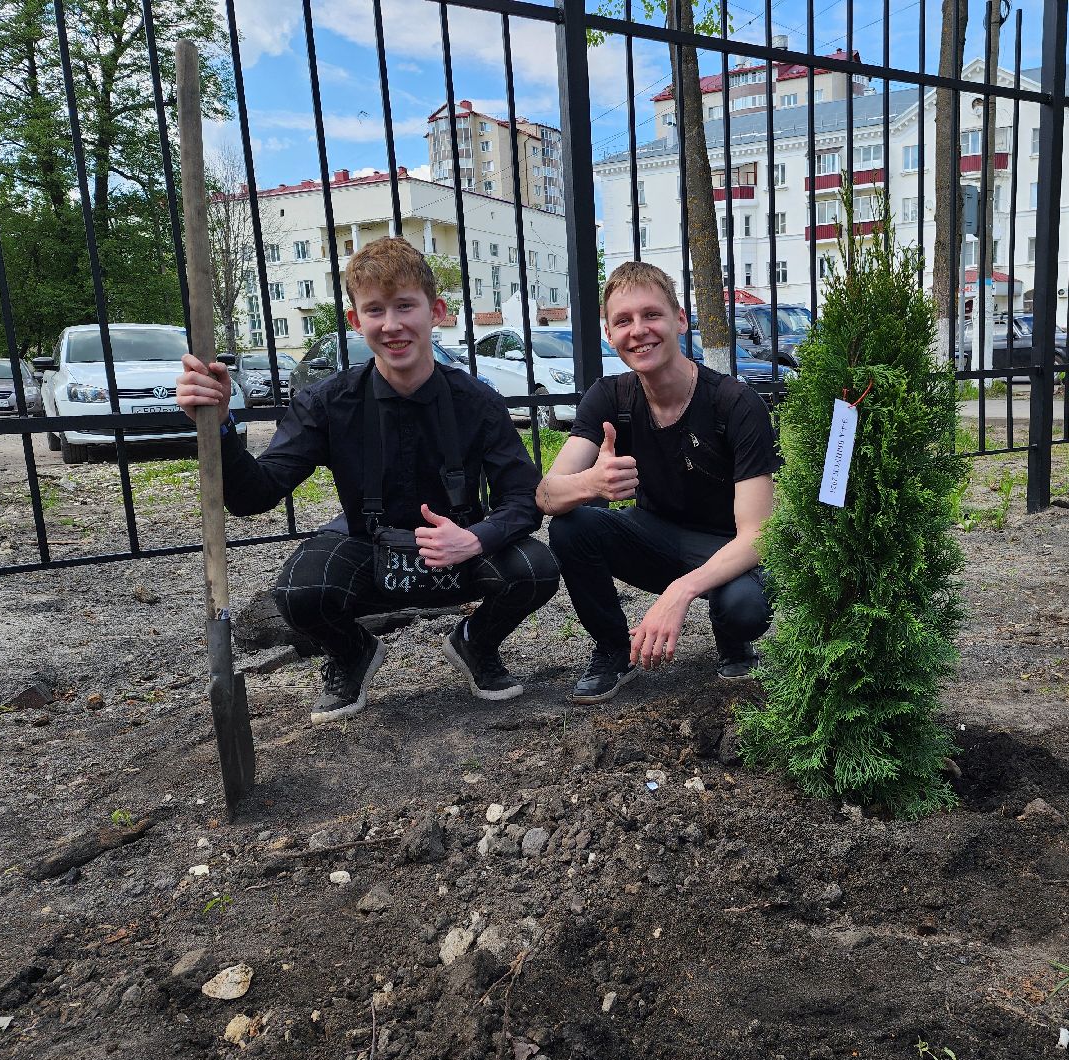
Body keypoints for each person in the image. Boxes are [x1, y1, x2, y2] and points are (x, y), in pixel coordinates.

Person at [176, 236, 558, 720]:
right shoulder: (326, 402)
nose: (392, 325)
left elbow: (522, 498)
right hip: (366, 543)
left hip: (459, 546)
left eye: (405, 306)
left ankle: (474, 643)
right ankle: (353, 653)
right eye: (375, 310)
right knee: (299, 591)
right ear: (356, 321)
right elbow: (256, 495)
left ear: (435, 311)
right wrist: (221, 426)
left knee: (537, 569)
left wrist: (475, 539)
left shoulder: (478, 402)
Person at [537, 261, 779, 704]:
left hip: (725, 546)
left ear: (680, 320)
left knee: (744, 606)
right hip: (655, 536)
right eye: (623, 321)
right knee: (572, 526)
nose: (639, 331)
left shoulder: (734, 403)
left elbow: (759, 536)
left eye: (652, 315)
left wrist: (679, 592)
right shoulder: (609, 397)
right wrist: (592, 483)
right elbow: (546, 494)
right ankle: (614, 649)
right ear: (609, 334)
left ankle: (732, 638)